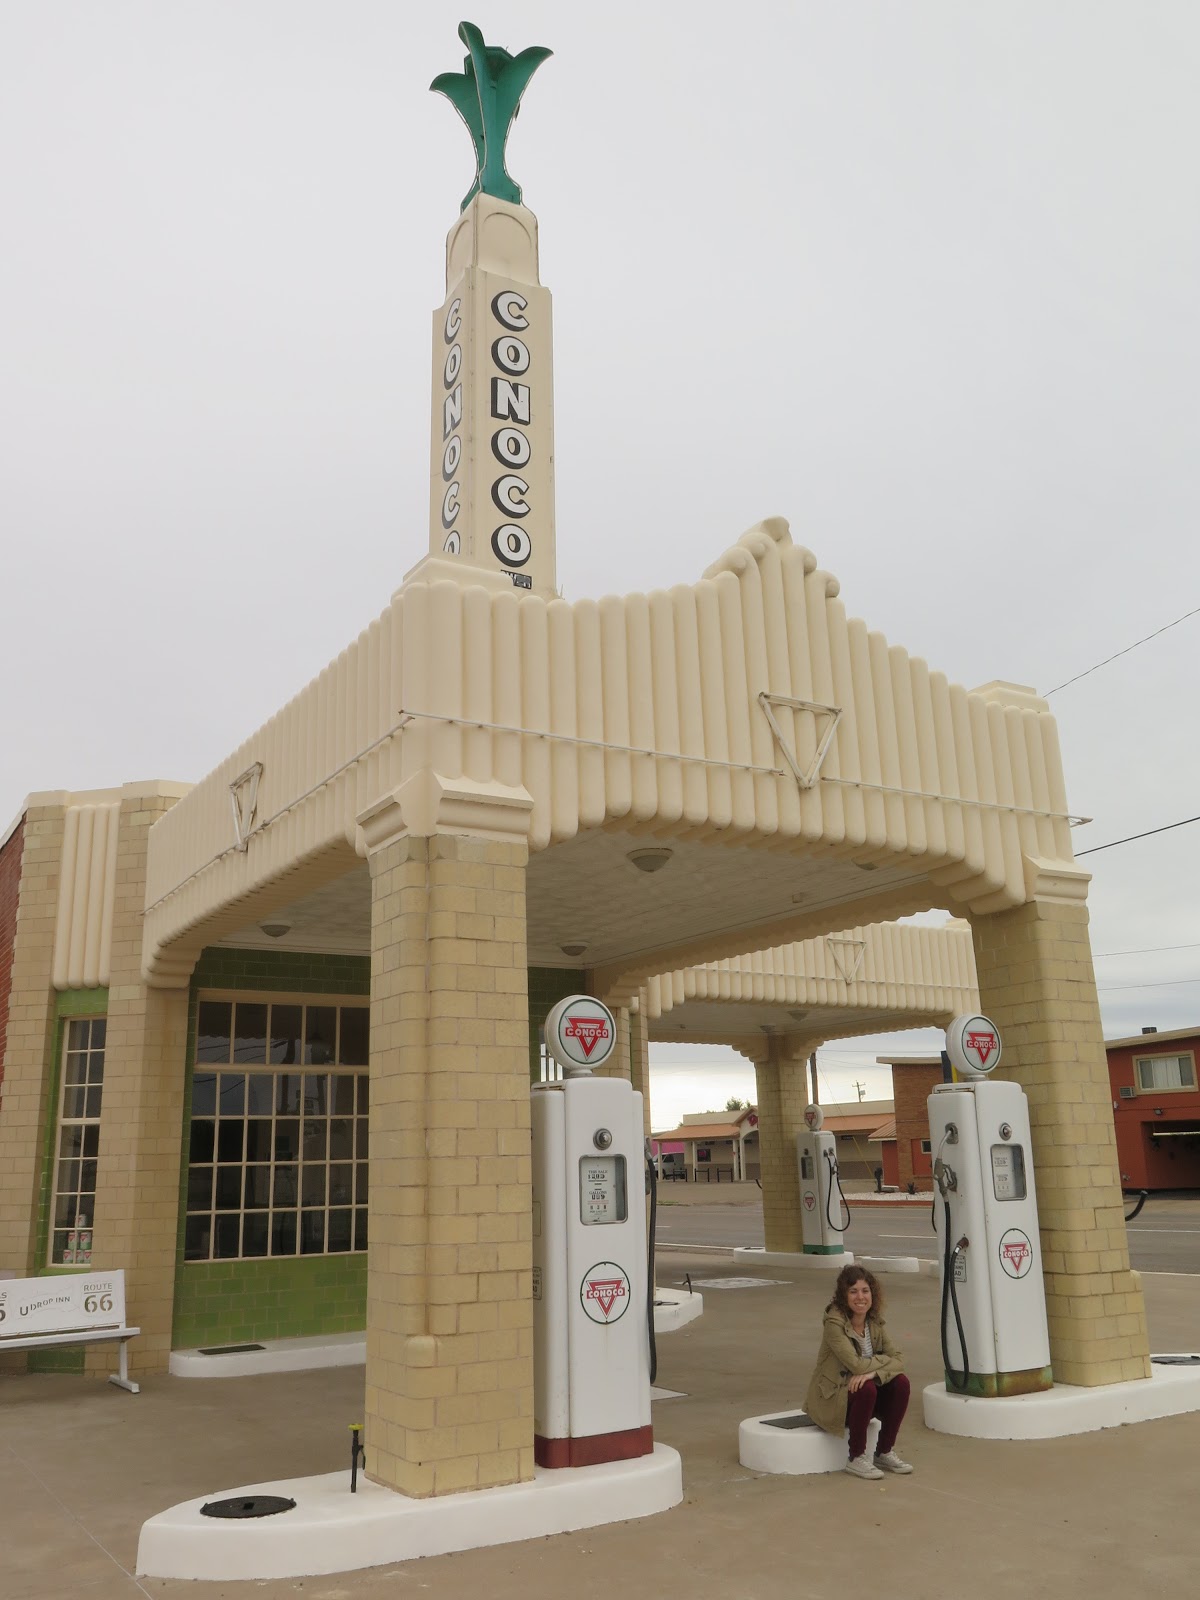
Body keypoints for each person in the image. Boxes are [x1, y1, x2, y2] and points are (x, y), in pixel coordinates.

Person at [804, 1263, 913, 1479]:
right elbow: (856, 1365)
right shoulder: (834, 1324)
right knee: (867, 1388)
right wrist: (879, 1366)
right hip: (834, 1401)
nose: (860, 1297)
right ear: (843, 1296)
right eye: (853, 1291)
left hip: (861, 1400)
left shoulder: (873, 1322)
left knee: (901, 1383)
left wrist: (874, 1373)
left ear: (872, 1294)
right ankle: (855, 1457)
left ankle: (883, 1452)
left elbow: (899, 1359)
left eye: (865, 1291)